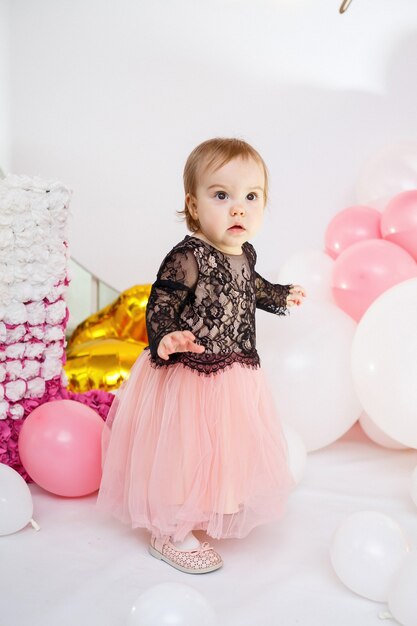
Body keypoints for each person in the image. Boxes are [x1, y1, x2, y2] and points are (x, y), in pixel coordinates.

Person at [97, 137, 306, 574]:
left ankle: (203, 506)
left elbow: (254, 287)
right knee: (185, 452)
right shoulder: (188, 257)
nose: (238, 209)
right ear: (193, 206)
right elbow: (161, 304)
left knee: (223, 447)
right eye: (221, 195)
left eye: (251, 197)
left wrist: (282, 295)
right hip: (189, 376)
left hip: (233, 373)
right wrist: (166, 336)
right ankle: (168, 531)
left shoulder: (245, 252)